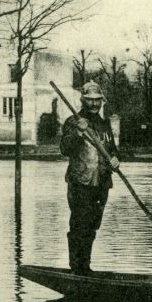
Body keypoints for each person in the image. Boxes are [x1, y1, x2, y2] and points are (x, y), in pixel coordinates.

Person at [60, 82, 120, 275]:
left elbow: (112, 149)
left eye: (97, 100)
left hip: (101, 183)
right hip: (81, 182)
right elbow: (64, 149)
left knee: (92, 225)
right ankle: (77, 269)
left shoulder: (104, 124)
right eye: (90, 100)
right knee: (79, 225)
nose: (94, 104)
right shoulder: (73, 122)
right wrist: (78, 133)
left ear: (102, 101)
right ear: (82, 100)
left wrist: (115, 159)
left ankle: (85, 268)